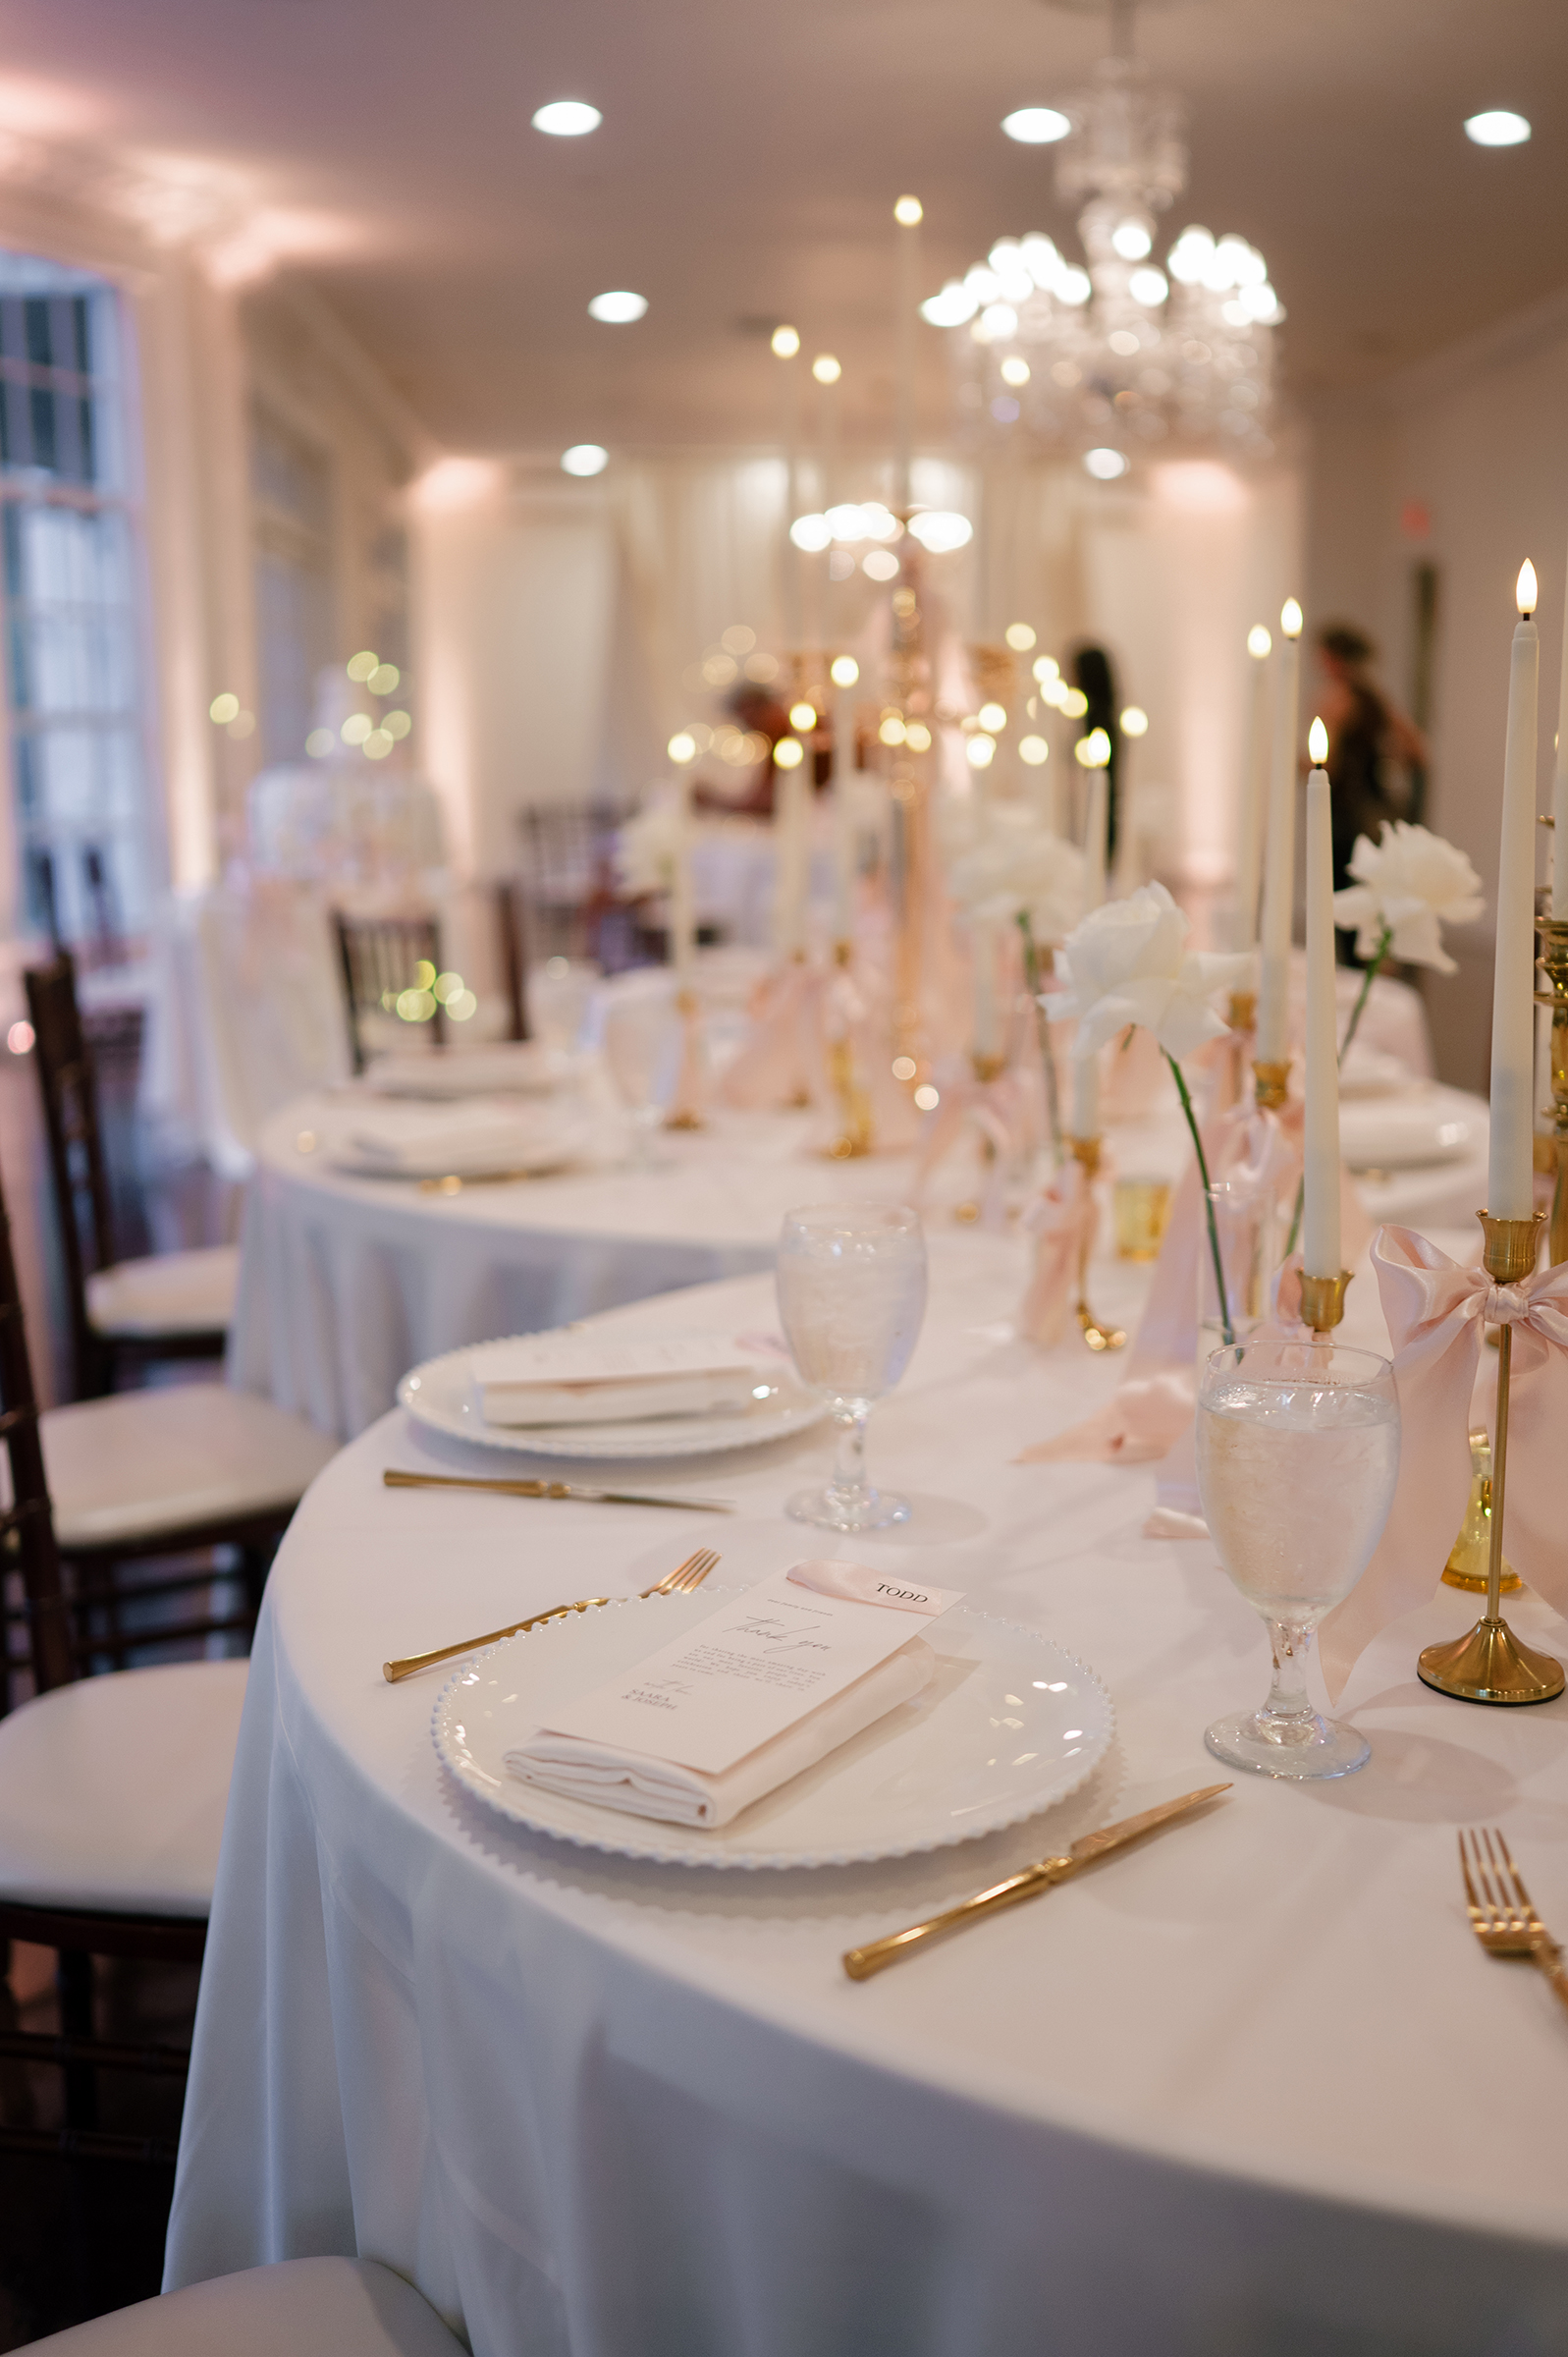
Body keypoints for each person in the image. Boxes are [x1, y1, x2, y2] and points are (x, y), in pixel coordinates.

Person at [1316, 623, 1427, 958]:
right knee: (1370, 895)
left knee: (1343, 899)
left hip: (1346, 817)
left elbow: (1326, 764)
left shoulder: (1337, 701)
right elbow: (1417, 751)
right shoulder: (1377, 700)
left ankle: (1351, 974)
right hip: (1374, 812)